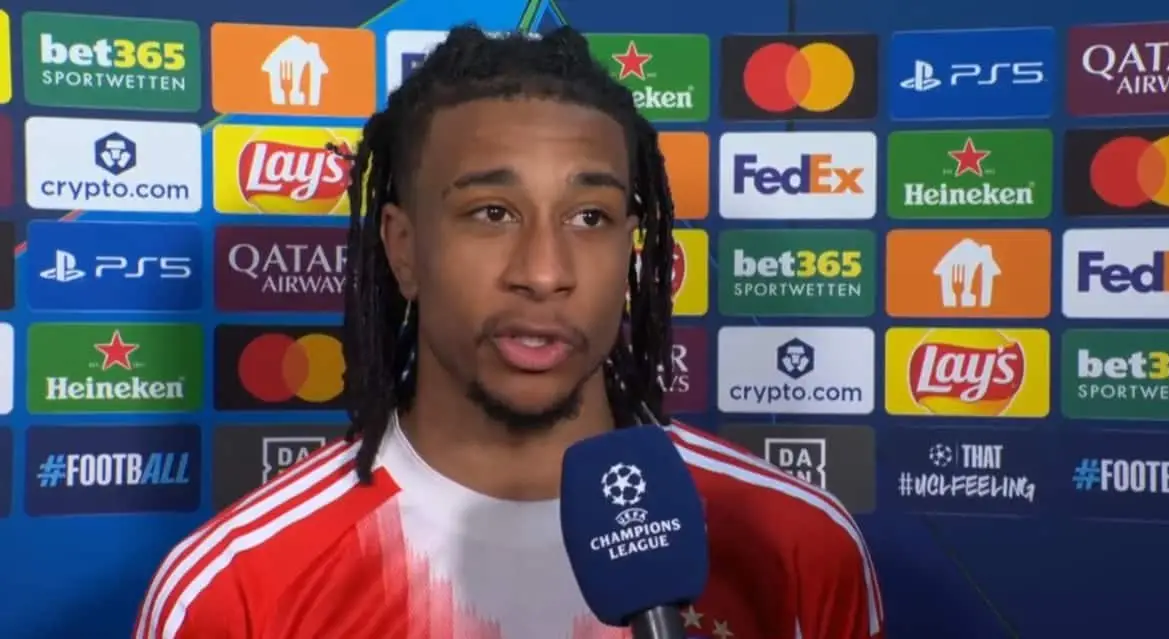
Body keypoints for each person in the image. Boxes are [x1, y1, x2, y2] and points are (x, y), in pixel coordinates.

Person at [133, 26, 884, 639]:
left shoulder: (798, 546)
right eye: (492, 213)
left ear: (630, 248)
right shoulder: (239, 589)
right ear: (404, 248)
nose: (545, 272)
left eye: (588, 216)